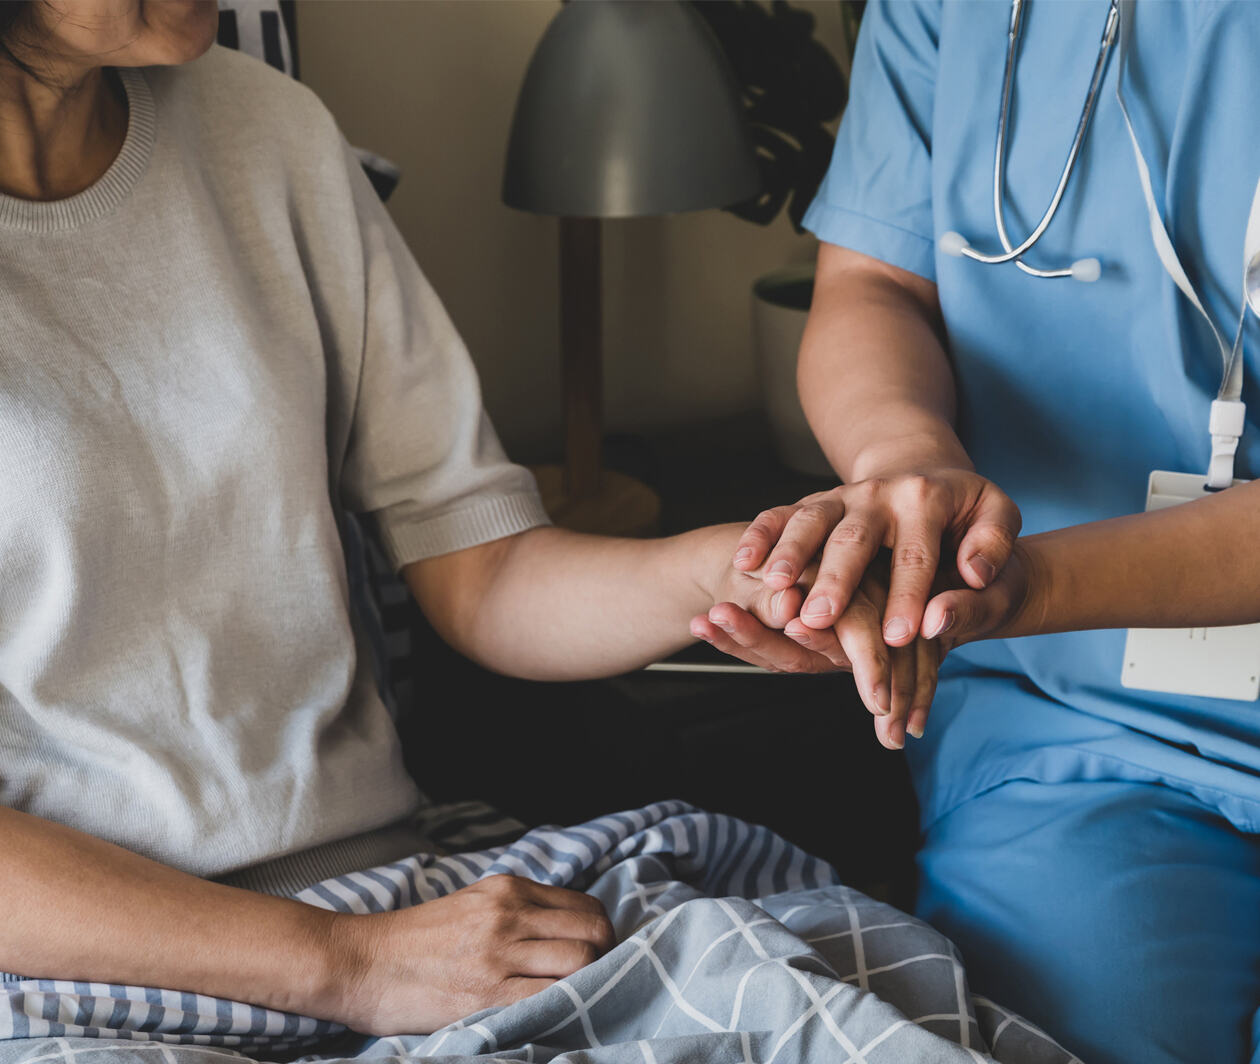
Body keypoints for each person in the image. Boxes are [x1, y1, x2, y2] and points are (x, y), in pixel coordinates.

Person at [0, 0, 966, 1049]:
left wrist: (725, 572)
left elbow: (486, 566)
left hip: (400, 890)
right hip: (78, 972)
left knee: (858, 1008)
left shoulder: (265, 132)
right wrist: (353, 966)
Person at [709, 2, 1260, 1062]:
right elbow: (873, 281)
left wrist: (1028, 586)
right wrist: (909, 463)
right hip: (1073, 724)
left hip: (1033, 607)